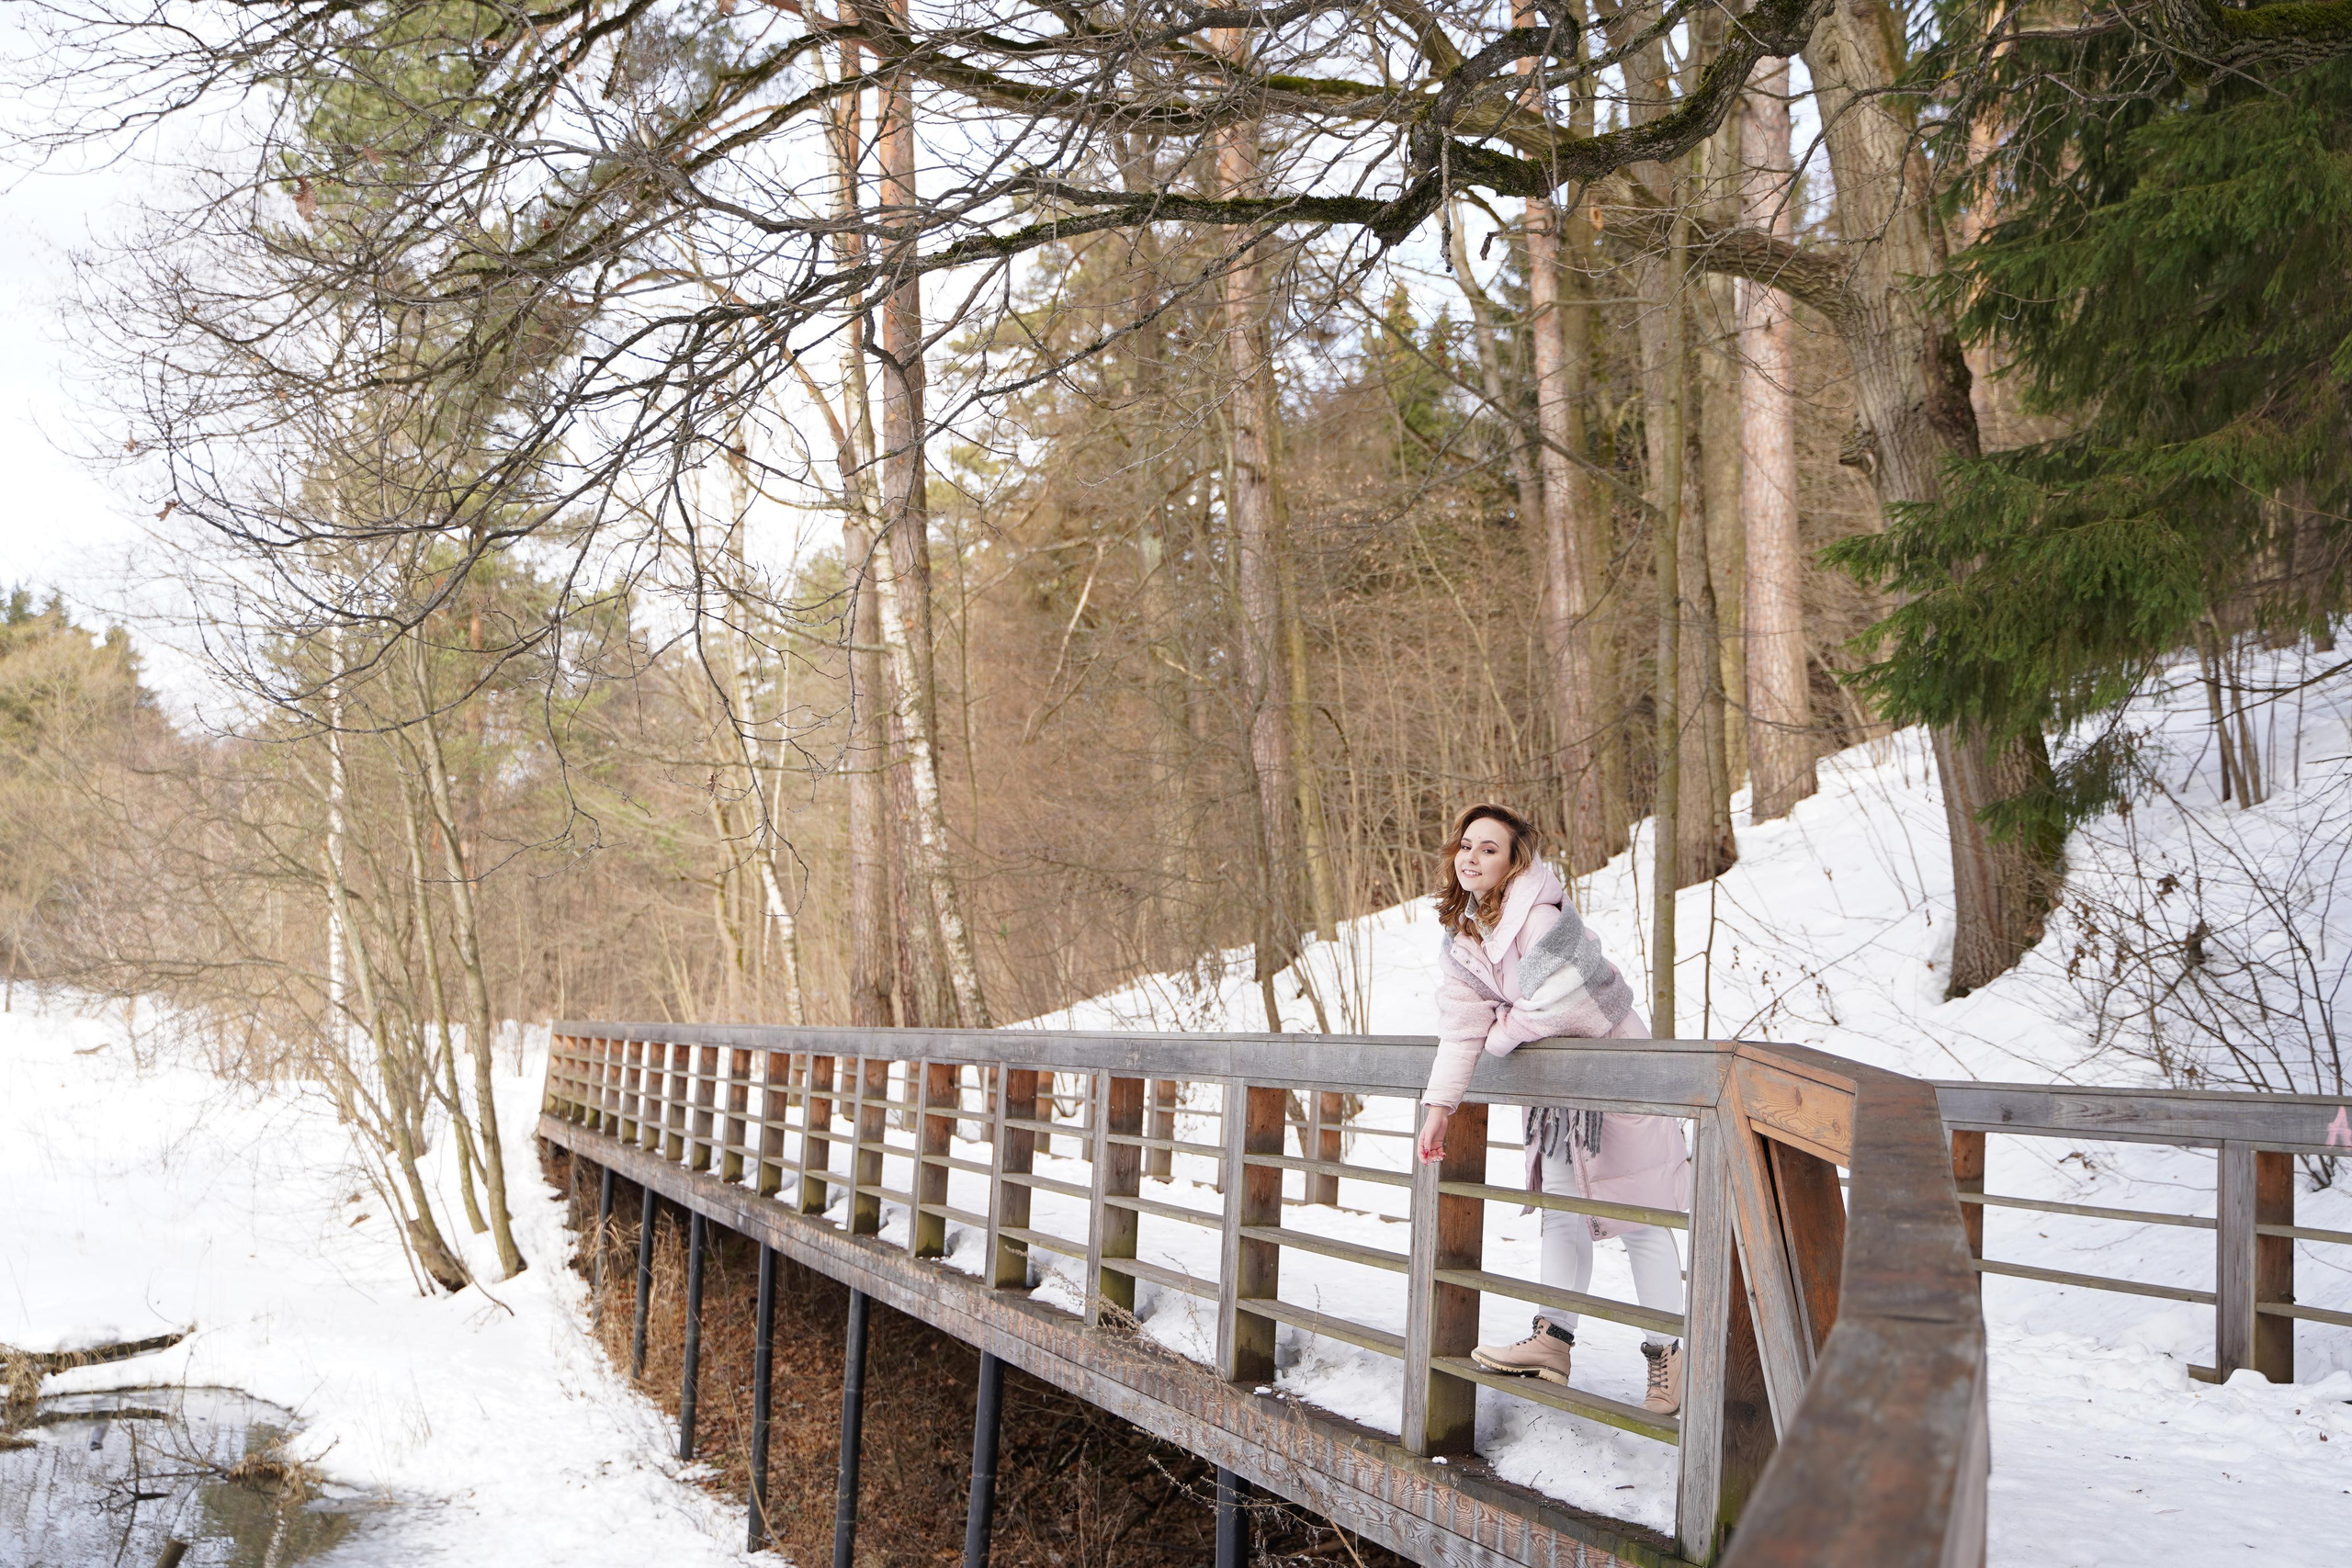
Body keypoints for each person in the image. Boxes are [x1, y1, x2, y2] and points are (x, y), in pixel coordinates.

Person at [1413, 803, 1690, 1415]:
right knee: (1562, 1215)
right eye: (1465, 845)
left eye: (1489, 847)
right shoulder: (1463, 937)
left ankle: (1670, 1355)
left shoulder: (1542, 917)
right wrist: (1440, 1107)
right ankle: (1552, 1341)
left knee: (1638, 1218)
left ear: (1515, 861)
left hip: (1618, 1074)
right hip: (1562, 1096)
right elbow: (1463, 1026)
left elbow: (1567, 1002)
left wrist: (1505, 1030)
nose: (1471, 856)